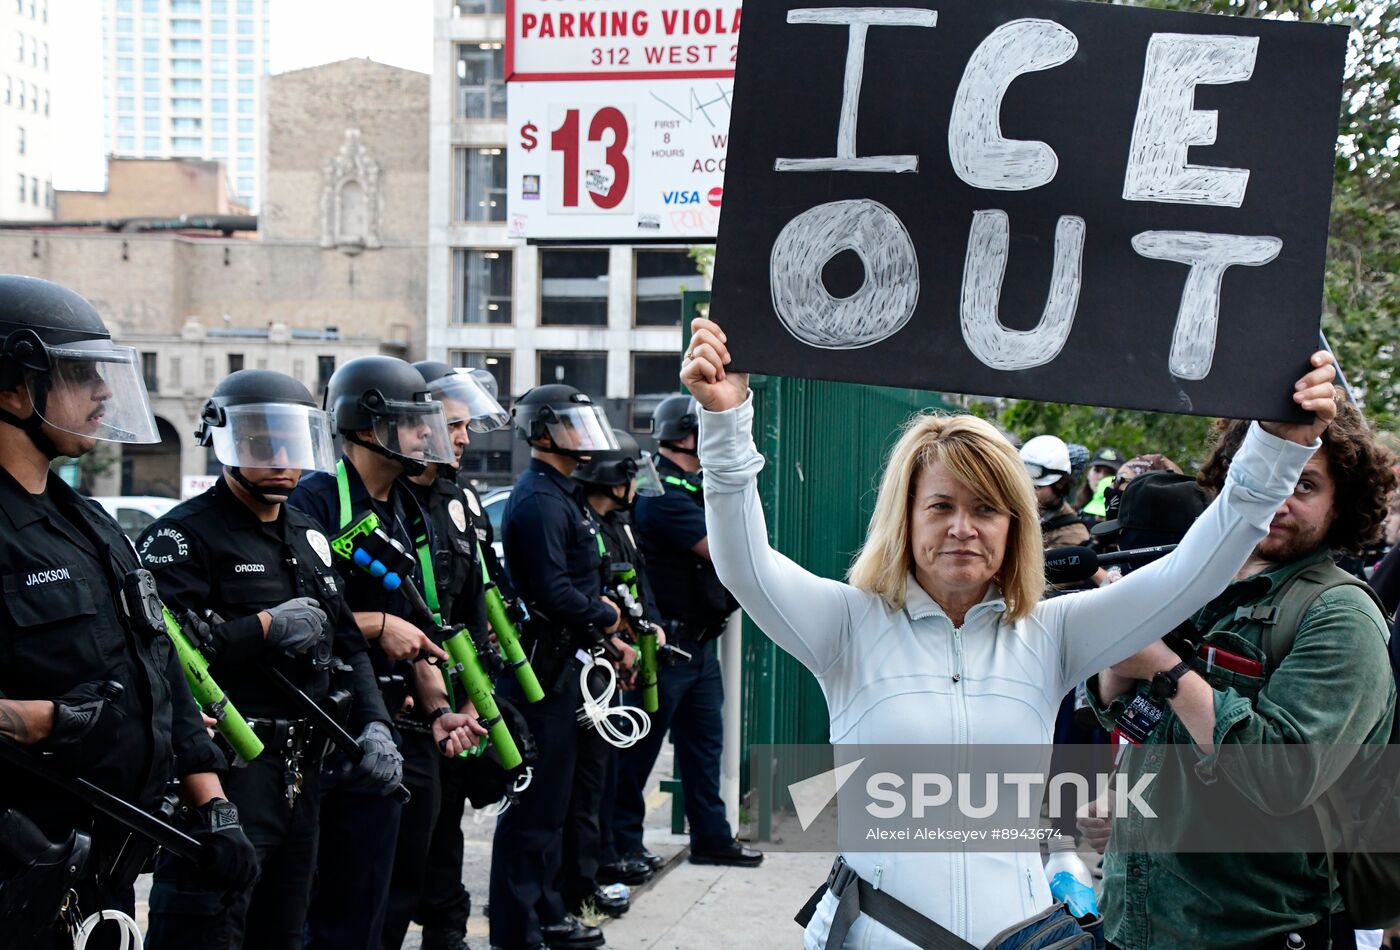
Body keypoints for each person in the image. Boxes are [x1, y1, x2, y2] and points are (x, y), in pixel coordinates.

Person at [680, 314, 1337, 948]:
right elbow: (744, 563)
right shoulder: (846, 627)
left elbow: (1195, 573)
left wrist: (1278, 447)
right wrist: (723, 422)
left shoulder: (1053, 633)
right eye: (941, 506)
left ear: (1014, 527)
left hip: (1020, 939)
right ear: (903, 520)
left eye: (987, 509)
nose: (963, 528)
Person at [0, 276, 255, 950]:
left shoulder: (89, 522)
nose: (103, 393)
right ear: (10, 387)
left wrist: (215, 806)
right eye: (80, 374)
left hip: (100, 876)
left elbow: (159, 663)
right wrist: (34, 719)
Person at [1087, 396, 1397, 950]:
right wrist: (1118, 659)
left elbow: (1283, 778)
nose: (1278, 498)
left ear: (1340, 501)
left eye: (1305, 486)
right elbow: (1132, 716)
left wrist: (1161, 665)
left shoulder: (1340, 614)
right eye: (1264, 477)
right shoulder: (1199, 582)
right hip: (1131, 922)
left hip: (1255, 934)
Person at [137, 370, 395, 950]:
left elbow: (348, 643)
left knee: (283, 928)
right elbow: (166, 660)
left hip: (302, 768)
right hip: (226, 769)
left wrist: (375, 724)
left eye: (293, 443)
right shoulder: (181, 537)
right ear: (225, 442)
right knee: (207, 926)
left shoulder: (308, 534)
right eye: (260, 442)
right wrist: (262, 629)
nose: (281, 459)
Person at [291, 356, 485, 950]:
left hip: (406, 721)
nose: (428, 435)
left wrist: (439, 711)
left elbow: (422, 623)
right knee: (338, 902)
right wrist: (375, 625)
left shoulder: (408, 510)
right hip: (340, 726)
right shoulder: (315, 501)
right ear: (366, 427)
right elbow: (296, 614)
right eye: (412, 422)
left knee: (398, 887)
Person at [488, 383, 630, 950]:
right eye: (570, 425)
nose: (582, 435)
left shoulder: (561, 492)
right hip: (544, 669)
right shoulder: (540, 499)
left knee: (557, 803)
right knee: (534, 805)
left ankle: (546, 913)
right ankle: (518, 929)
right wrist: (605, 613)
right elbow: (551, 591)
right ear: (541, 432)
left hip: (569, 665)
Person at [386, 360, 508, 950]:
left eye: (464, 427)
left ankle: (447, 934)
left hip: (454, 701)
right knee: (397, 854)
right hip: (400, 706)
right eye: (452, 426)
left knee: (446, 832)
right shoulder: (385, 498)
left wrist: (470, 694)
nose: (462, 438)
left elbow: (476, 600)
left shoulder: (459, 499)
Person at [612, 394, 762, 870]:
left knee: (704, 750)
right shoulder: (661, 493)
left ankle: (712, 838)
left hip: (698, 643)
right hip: (665, 646)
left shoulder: (691, 486)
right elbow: (723, 551)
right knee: (639, 753)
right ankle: (623, 845)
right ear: (687, 435)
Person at [567, 427, 667, 918]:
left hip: (613, 662)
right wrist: (617, 641)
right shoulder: (588, 524)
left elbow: (632, 588)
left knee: (601, 781)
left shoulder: (618, 522)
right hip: (589, 666)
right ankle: (591, 872)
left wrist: (644, 631)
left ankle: (600, 866)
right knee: (585, 789)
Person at [1021, 434, 1092, 548]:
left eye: (1036, 487)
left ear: (1060, 483)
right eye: (1023, 483)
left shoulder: (1072, 534)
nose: (1026, 491)